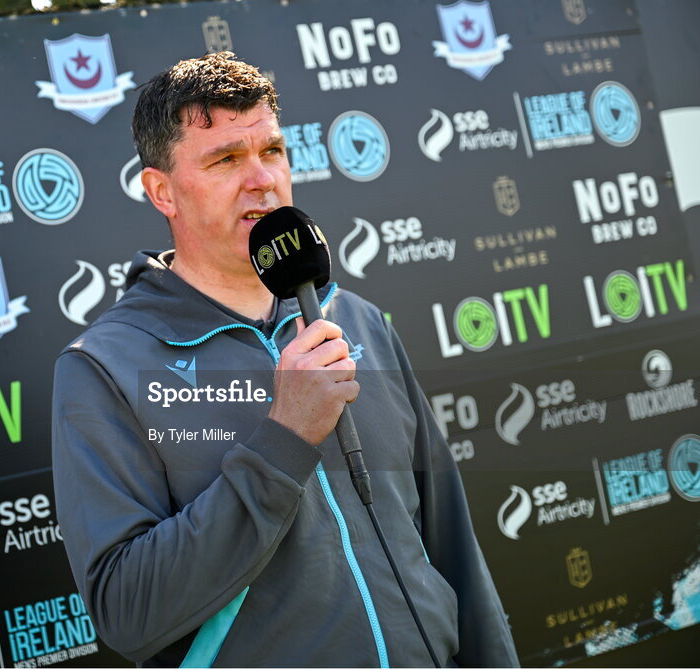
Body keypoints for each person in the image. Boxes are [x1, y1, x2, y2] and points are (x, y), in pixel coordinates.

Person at [52, 52, 518, 668]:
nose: (262, 180)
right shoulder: (105, 366)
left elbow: (450, 542)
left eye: (271, 151)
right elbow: (128, 612)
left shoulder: (357, 320)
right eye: (225, 159)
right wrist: (286, 437)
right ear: (161, 190)